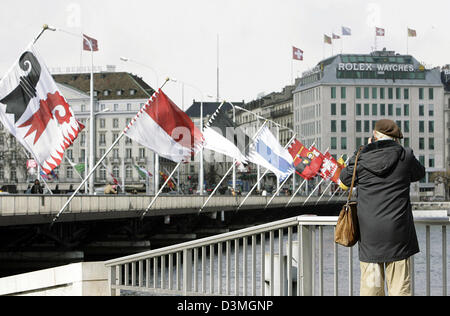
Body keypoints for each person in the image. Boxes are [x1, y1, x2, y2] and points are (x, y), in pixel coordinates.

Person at [340, 119, 425, 296]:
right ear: (395, 139)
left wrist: (360, 151)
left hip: (369, 233)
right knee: (400, 288)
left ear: (374, 136)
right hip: (398, 233)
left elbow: (345, 179)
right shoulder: (405, 156)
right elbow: (419, 173)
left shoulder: (361, 158)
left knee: (371, 289)